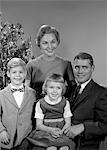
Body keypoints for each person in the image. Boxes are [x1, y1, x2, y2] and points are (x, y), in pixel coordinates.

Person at [64, 52, 107, 150]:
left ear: (92, 68)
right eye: (77, 67)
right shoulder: (70, 89)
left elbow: (105, 125)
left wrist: (83, 127)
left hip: (84, 145)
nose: (80, 71)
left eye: (84, 67)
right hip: (64, 141)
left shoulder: (101, 93)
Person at [25, 24, 76, 101]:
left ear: (57, 42)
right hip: (35, 110)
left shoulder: (66, 65)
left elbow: (73, 91)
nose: (50, 46)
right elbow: (26, 93)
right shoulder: (31, 65)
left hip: (58, 110)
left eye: (53, 42)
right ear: (39, 43)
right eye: (45, 43)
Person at [27, 73, 75, 150]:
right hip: (45, 132)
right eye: (51, 87)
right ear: (46, 88)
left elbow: (68, 123)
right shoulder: (41, 103)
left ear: (62, 89)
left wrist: (61, 132)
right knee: (51, 148)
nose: (54, 91)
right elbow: (39, 125)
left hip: (61, 131)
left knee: (65, 147)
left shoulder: (65, 102)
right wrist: (51, 130)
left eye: (58, 88)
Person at [0, 58, 36, 150]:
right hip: (7, 138)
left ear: (25, 74)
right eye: (14, 72)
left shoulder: (32, 93)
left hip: (26, 137)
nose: (17, 75)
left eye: (21, 72)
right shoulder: (1, 94)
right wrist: (1, 131)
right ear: (8, 74)